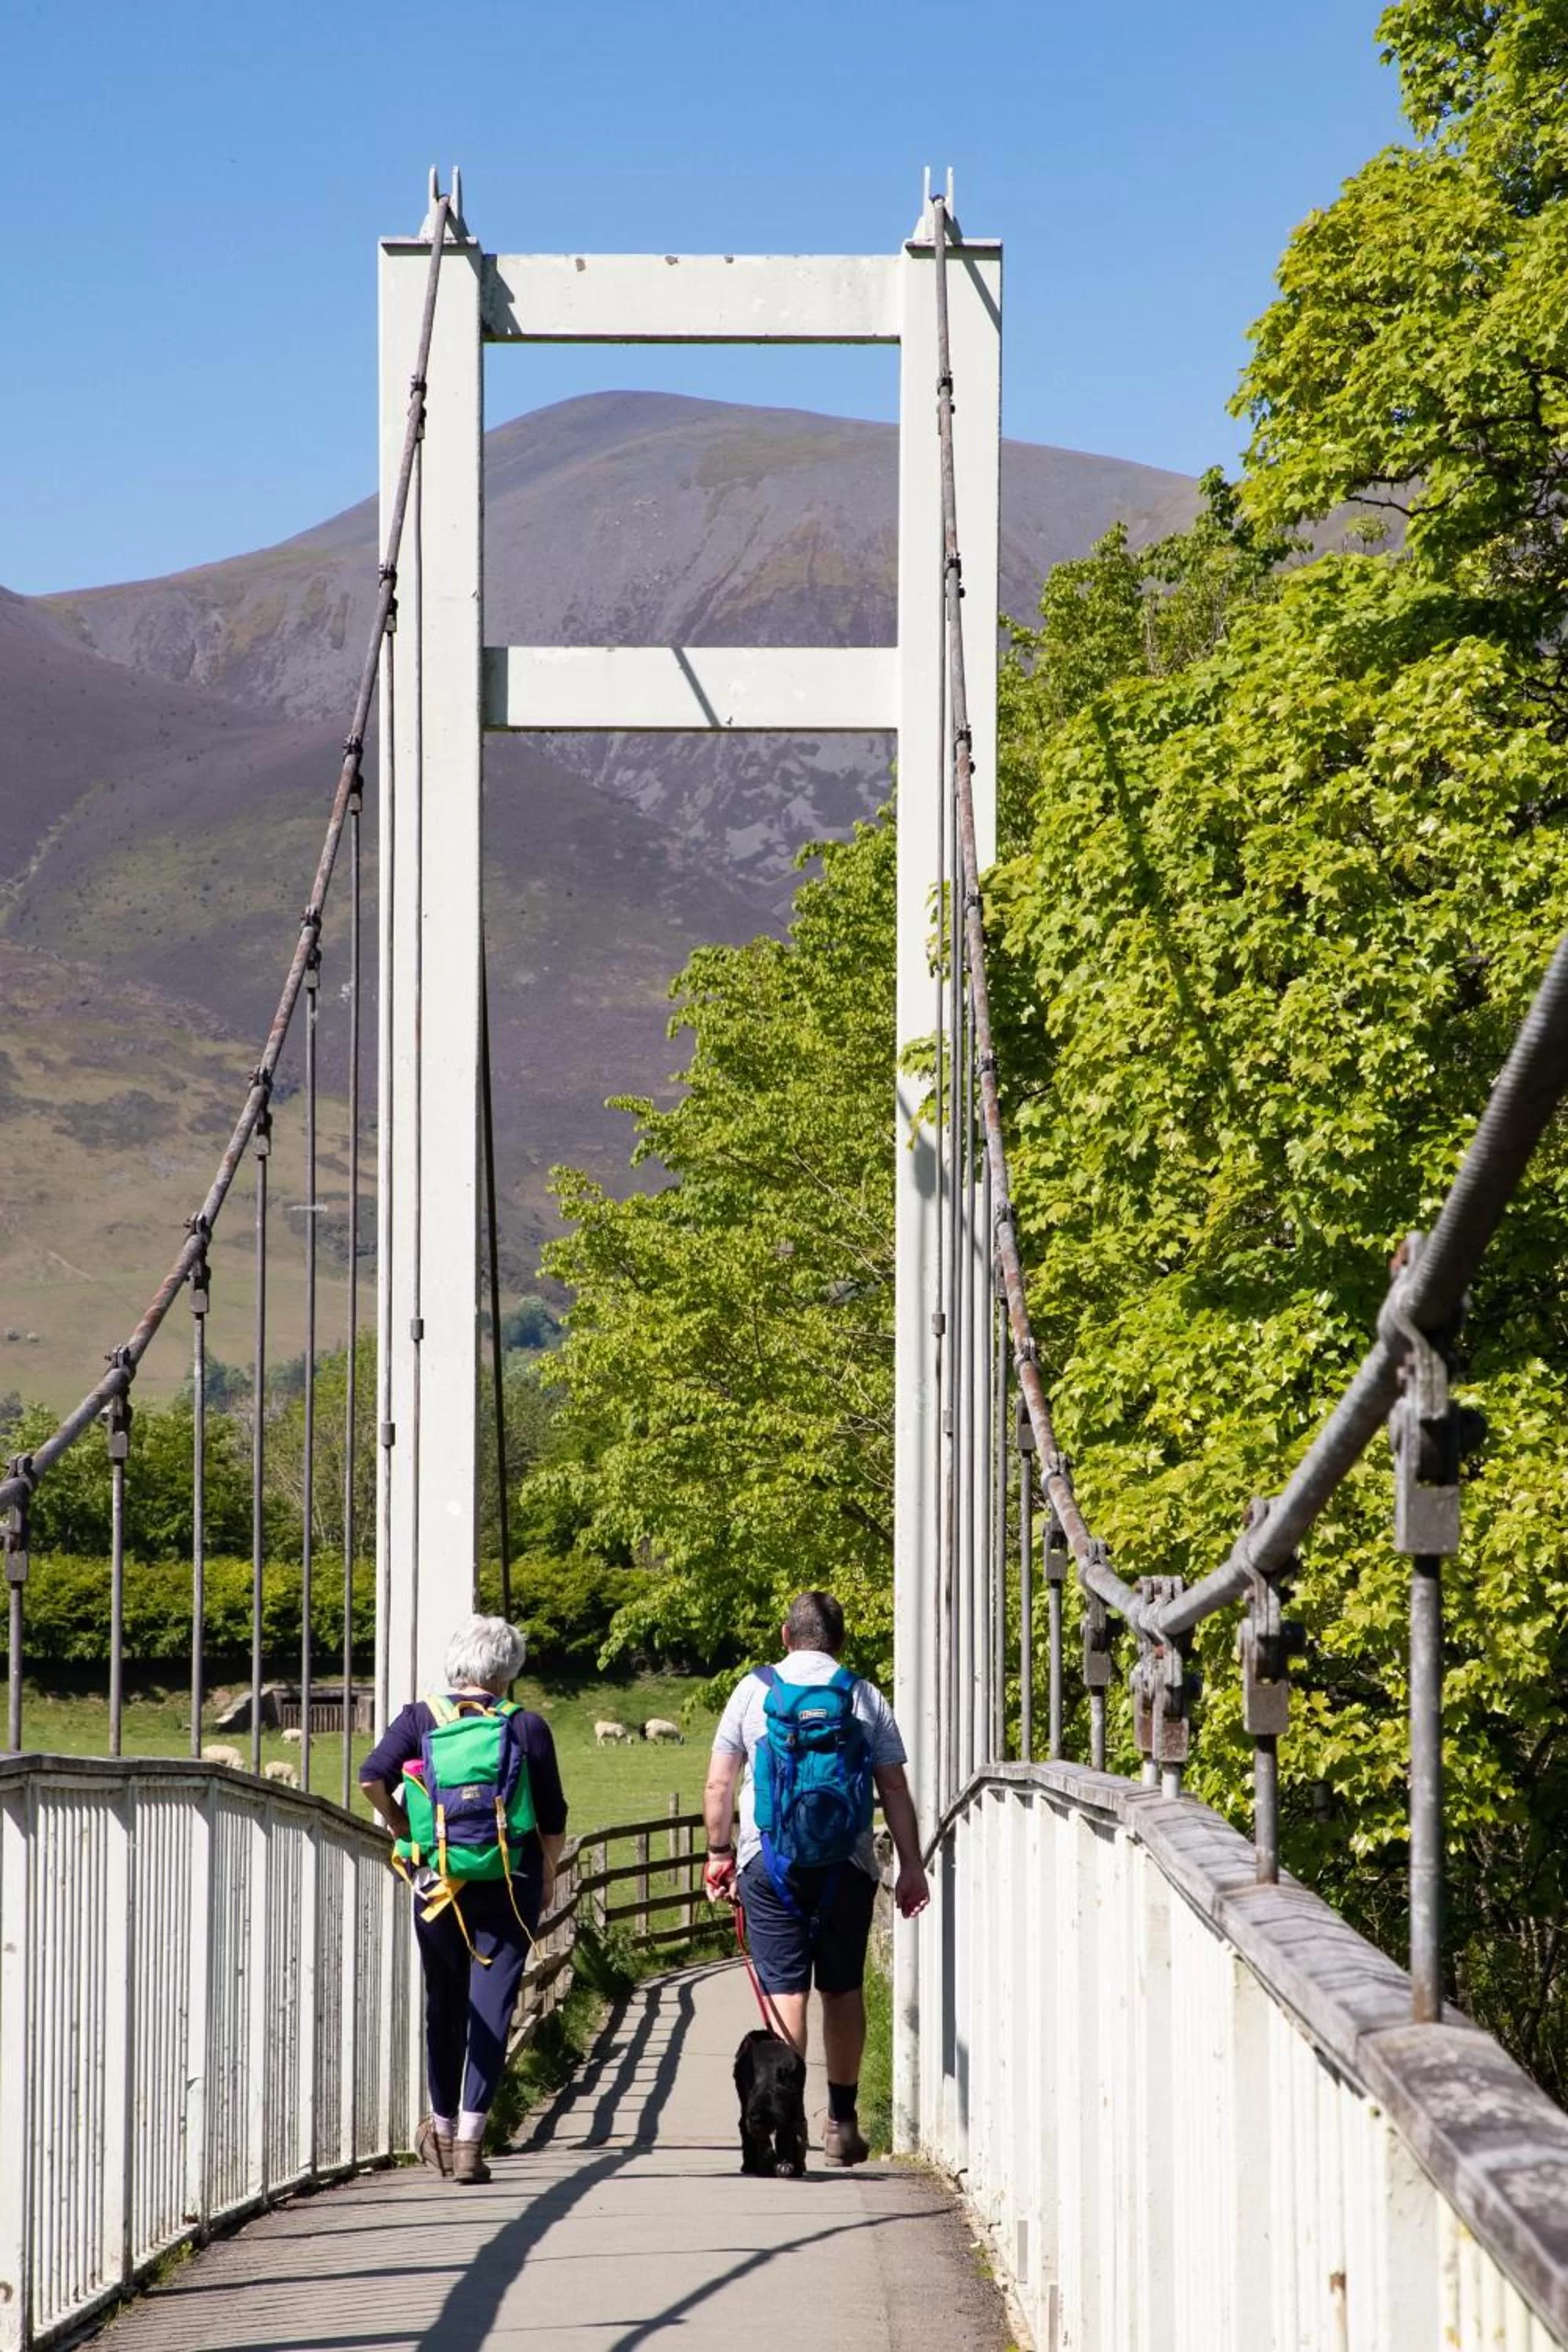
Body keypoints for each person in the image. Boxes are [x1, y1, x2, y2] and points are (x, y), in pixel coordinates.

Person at [702, 1588, 930, 2168]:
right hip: (846, 1869)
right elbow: (893, 1786)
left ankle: (788, 2126)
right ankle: (841, 2124)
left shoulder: (753, 1691)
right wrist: (911, 1865)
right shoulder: (863, 1695)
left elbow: (720, 1783)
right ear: (840, 1642)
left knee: (787, 1993)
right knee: (842, 1990)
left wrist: (719, 1853)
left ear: (786, 1636)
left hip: (769, 1864)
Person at [360, 1614, 567, 2183]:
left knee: (445, 2004)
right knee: (493, 2005)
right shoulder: (526, 1725)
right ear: (509, 1669)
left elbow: (370, 1777)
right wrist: (547, 1874)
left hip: (439, 1882)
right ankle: (474, 2140)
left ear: (457, 1661)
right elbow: (553, 1815)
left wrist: (402, 1826)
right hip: (510, 1878)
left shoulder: (420, 1717)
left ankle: (444, 2132)